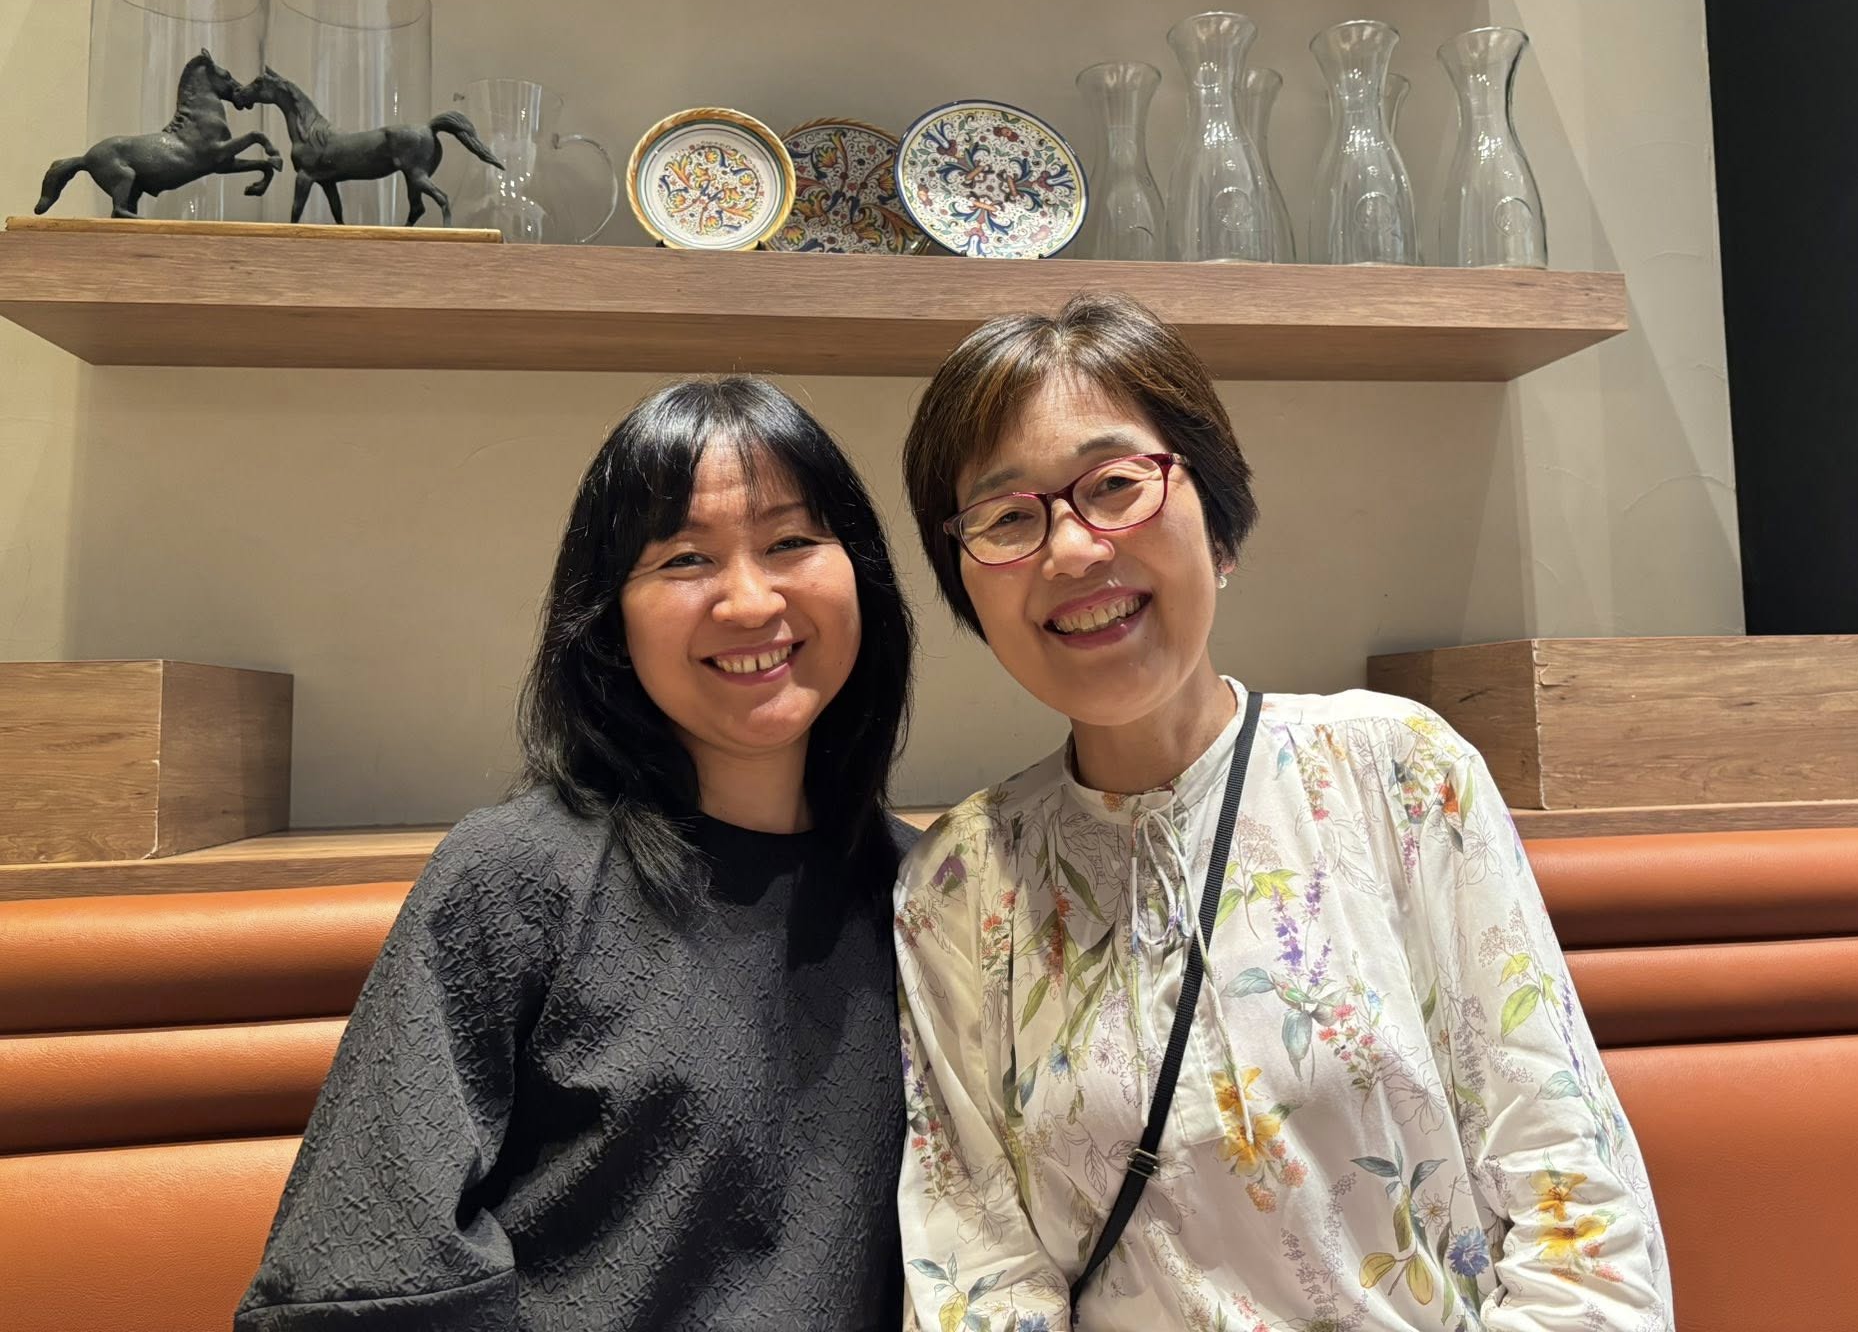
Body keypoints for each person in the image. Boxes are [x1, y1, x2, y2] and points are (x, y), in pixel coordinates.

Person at [893, 293, 1671, 1331]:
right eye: (1007, 519)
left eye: (1115, 485)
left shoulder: (1395, 773)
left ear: (1216, 521)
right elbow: (975, 1270)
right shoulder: (957, 883)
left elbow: (1574, 1206)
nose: (1071, 550)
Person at [237, 377, 916, 1330]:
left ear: (861, 576)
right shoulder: (513, 877)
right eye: (684, 558)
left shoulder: (931, 897)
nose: (750, 599)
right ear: (610, 618)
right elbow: (360, 1272)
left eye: (792, 541)